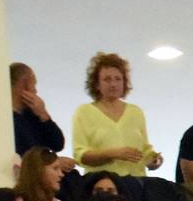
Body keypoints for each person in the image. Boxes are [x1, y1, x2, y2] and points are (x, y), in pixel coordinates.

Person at [70, 52, 164, 181]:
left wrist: (154, 160)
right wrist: (114, 154)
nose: (113, 84)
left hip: (136, 184)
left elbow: (145, 150)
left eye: (118, 79)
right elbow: (80, 156)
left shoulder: (136, 112)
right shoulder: (84, 112)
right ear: (97, 84)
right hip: (102, 183)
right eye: (107, 79)